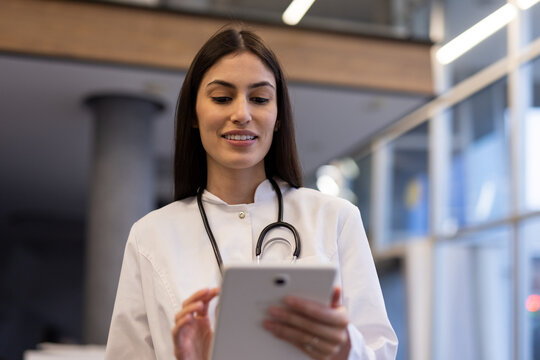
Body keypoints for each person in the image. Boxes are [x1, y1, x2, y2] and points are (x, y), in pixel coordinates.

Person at [104, 28, 398, 360]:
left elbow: (380, 352)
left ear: (277, 118)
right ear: (193, 115)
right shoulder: (150, 237)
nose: (242, 114)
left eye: (259, 99)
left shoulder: (336, 219)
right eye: (221, 98)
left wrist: (346, 349)